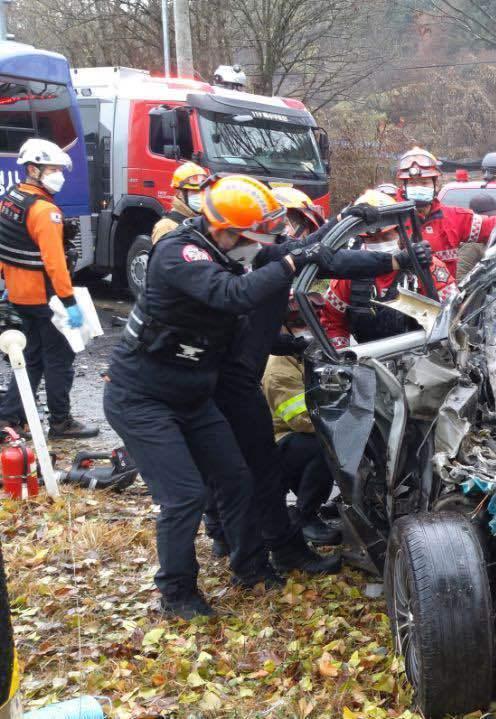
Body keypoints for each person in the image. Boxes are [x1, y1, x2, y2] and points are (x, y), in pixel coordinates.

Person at [102, 175, 330, 618]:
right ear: (229, 231)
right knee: (184, 495)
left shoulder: (227, 252)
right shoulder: (179, 254)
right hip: (141, 398)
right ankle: (176, 593)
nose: (264, 246)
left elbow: (232, 326)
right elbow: (232, 297)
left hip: (193, 397)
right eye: (257, 238)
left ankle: (251, 568)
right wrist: (287, 265)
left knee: (237, 478)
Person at [202, 186, 429, 572]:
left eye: (289, 226)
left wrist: (392, 259)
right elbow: (241, 298)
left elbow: (325, 256)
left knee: (258, 472)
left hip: (239, 378)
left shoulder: (262, 254)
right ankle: (233, 547)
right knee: (229, 471)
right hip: (211, 383)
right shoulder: (207, 264)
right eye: (280, 226)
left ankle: (276, 550)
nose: (286, 234)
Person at [0, 138, 98, 438]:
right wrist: (69, 303)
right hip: (47, 298)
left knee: (28, 359)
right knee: (59, 359)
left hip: (19, 295)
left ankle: (9, 419)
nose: (60, 176)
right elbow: (55, 263)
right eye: (54, 169)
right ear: (34, 169)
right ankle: (60, 421)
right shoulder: (45, 212)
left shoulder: (10, 198)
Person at [320, 190, 455, 349]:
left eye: (386, 237)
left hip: (420, 360)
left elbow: (453, 315)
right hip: (369, 360)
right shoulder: (347, 275)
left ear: (399, 232)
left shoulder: (428, 267)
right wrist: (343, 357)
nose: (380, 243)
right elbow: (332, 322)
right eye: (373, 239)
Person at [263, 292, 339, 546]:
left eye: (309, 321)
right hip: (282, 441)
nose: (305, 329)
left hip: (302, 432)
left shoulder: (308, 354)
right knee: (324, 447)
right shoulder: (278, 369)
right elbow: (301, 420)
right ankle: (305, 516)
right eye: (297, 323)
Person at [396, 146, 496, 278]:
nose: (418, 187)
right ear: (404, 187)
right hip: (404, 296)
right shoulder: (392, 221)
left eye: (424, 183)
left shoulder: (453, 218)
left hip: (443, 296)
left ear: (436, 185)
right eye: (413, 183)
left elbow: (492, 226)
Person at [152, 162, 210, 243]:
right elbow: (163, 254)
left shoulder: (206, 221)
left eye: (203, 191)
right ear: (179, 193)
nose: (200, 195)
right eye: (195, 191)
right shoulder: (166, 227)